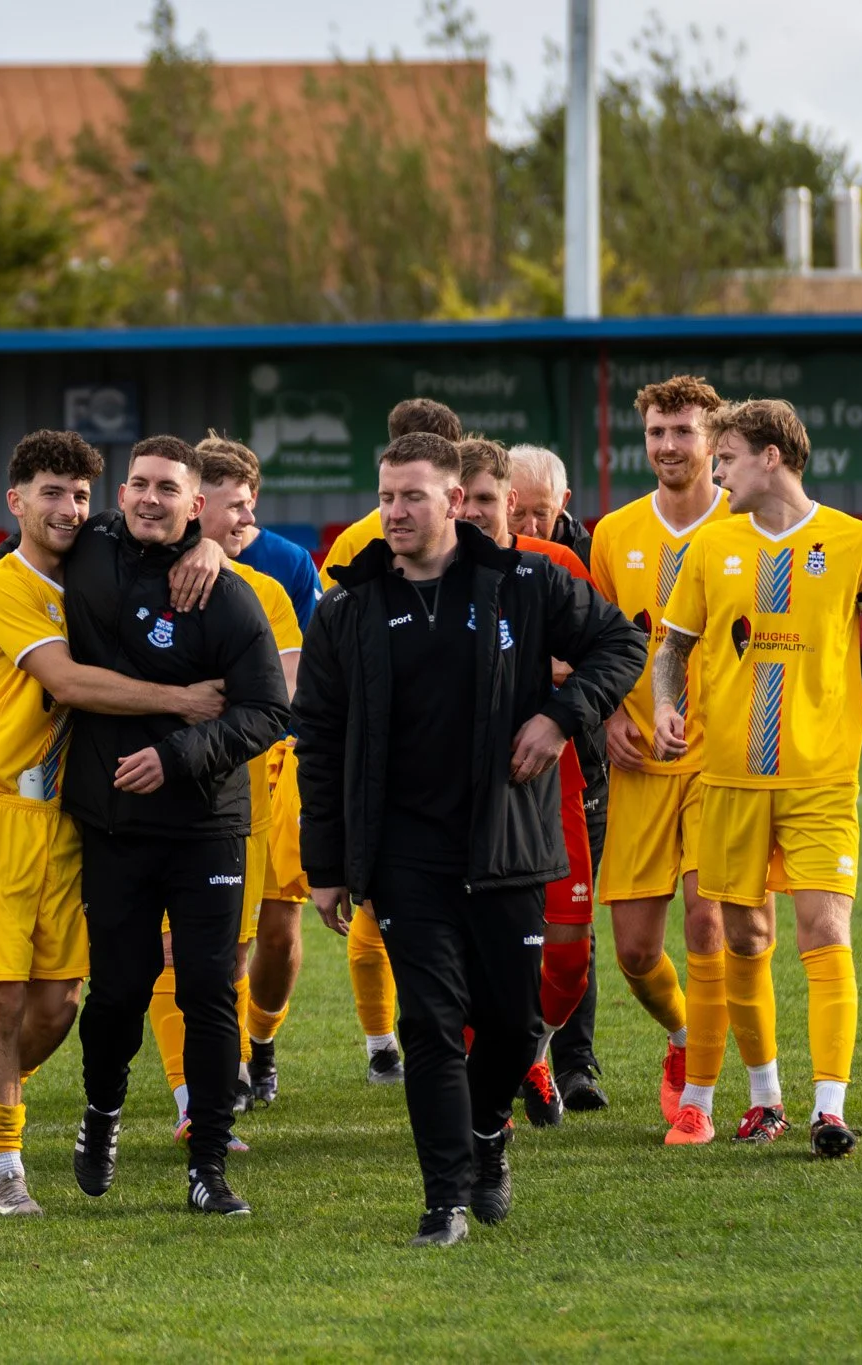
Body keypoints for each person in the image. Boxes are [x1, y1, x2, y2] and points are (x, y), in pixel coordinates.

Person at [295, 431, 642, 1247]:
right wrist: (325, 862)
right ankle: (443, 1198)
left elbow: (620, 644)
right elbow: (317, 735)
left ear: (456, 501)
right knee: (431, 1024)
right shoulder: (349, 606)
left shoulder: (522, 581)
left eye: (413, 496)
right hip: (403, 853)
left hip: (507, 841)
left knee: (516, 1024)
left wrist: (560, 718)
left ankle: (489, 1132)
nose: (395, 512)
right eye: (386, 496)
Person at [0, 429, 227, 1216]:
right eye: (50, 493)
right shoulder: (1, 585)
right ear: (15, 502)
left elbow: (171, 520)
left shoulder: (96, 560)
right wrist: (181, 702)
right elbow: (64, 680)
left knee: (61, 1004)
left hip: (67, 817)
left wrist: (212, 549)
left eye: (78, 494)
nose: (68, 509)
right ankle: (4, 1166)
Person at [652, 399, 862, 1157]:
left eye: (726, 455)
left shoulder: (856, 542)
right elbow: (673, 647)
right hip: (730, 779)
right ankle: (764, 1096)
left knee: (826, 931)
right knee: (746, 938)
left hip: (821, 780)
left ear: (771, 457)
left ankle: (828, 1108)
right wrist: (669, 705)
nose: (716, 469)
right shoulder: (711, 546)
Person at [587, 376, 743, 1144]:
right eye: (657, 432)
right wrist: (612, 713)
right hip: (642, 762)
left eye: (683, 431)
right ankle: (684, 1035)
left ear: (714, 440)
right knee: (637, 952)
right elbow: (603, 644)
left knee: (707, 924)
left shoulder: (744, 521)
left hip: (724, 763)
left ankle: (701, 1100)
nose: (669, 446)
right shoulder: (614, 533)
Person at [142, 436, 302, 1128]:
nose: (245, 521)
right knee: (169, 949)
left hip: (250, 798)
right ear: (196, 505)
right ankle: (194, 1099)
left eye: (246, 507)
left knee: (241, 948)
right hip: (152, 792)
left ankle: (238, 1058)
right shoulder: (135, 574)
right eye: (231, 509)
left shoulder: (267, 589)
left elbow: (282, 700)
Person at [455, 438, 605, 1123]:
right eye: (462, 500)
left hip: (553, 783)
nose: (473, 511)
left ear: (510, 503)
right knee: (467, 954)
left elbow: (604, 654)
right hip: (458, 798)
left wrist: (547, 695)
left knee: (568, 959)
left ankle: (530, 1049)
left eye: (486, 499)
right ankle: (492, 1088)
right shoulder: (420, 573)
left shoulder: (555, 565)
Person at [316, 396, 464, 1085]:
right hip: (384, 772)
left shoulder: (497, 564)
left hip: (474, 783)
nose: (399, 510)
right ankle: (384, 1042)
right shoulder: (355, 548)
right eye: (389, 494)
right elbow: (335, 655)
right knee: (377, 914)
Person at [499, 443, 606, 1110]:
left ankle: (575, 1061)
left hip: (580, 760)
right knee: (507, 920)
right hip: (498, 771)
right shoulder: (475, 554)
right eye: (521, 511)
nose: (530, 525)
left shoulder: (584, 559)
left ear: (562, 505)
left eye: (543, 512)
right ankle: (510, 1058)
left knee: (573, 922)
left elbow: (606, 651)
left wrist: (561, 681)